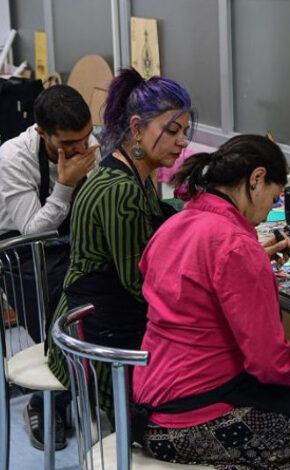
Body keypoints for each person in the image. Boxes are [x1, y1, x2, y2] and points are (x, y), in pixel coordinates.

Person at [132, 135, 290, 470]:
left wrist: (252, 260)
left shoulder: (176, 224)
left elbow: (190, 284)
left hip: (147, 405)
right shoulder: (236, 246)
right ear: (256, 179)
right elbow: (269, 365)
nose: (266, 213)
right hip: (191, 421)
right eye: (271, 200)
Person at [46, 68, 193, 423]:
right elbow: (137, 283)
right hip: (95, 337)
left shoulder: (135, 175)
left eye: (185, 132)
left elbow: (159, 224)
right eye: (172, 131)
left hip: (102, 317)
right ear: (137, 128)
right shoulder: (121, 189)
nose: (183, 142)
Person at [0, 84, 99, 450]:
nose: (80, 149)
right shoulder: (13, 159)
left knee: (111, 295)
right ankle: (46, 401)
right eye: (69, 144)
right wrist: (67, 184)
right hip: (22, 249)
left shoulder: (86, 144)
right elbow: (32, 231)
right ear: (42, 133)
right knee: (60, 313)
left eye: (86, 138)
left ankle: (98, 387)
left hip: (71, 238)